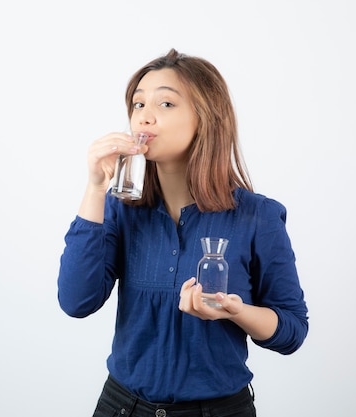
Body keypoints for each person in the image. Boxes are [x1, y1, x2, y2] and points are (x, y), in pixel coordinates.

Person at [57, 48, 308, 417]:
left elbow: (292, 330)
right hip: (122, 408)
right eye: (138, 104)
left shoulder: (258, 216)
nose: (144, 117)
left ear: (205, 118)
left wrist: (235, 312)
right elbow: (76, 302)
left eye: (166, 104)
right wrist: (95, 189)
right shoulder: (119, 208)